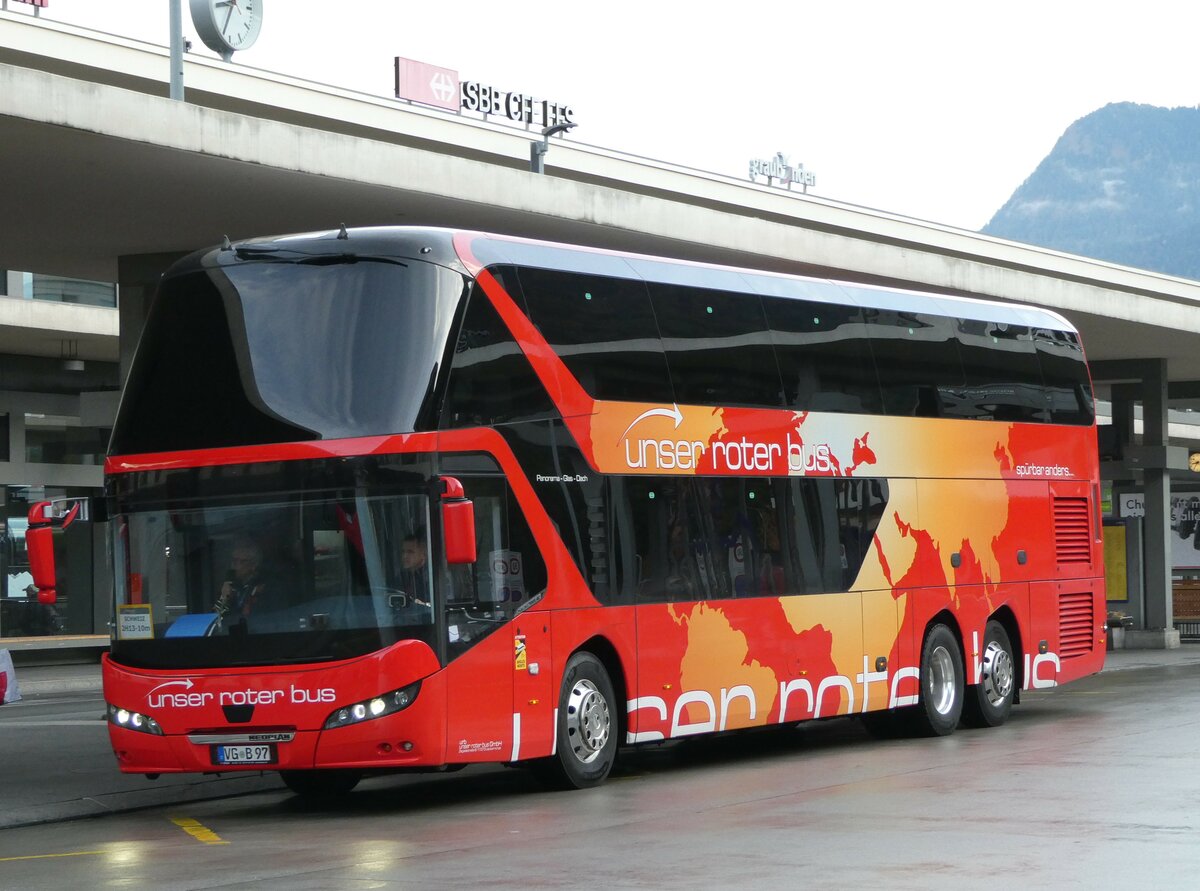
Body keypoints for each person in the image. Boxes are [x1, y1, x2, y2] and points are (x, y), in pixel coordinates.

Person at [216, 539, 266, 618]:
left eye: (242, 562)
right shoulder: (231, 585)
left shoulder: (263, 587)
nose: (235, 566)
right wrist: (224, 598)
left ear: (254, 565)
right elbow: (217, 618)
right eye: (234, 561)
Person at [400, 531, 430, 608]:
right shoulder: (400, 578)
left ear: (423, 554)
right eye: (403, 551)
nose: (405, 556)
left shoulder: (432, 578)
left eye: (410, 552)